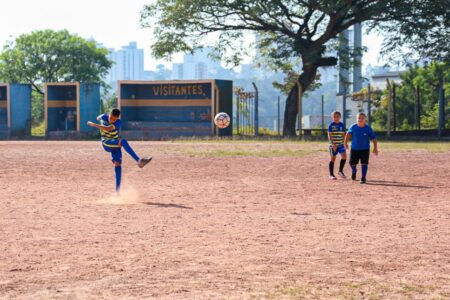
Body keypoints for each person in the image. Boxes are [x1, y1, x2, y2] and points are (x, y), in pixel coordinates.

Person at [87, 108, 152, 192]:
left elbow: (108, 128)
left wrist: (93, 124)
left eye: (114, 119)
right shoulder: (104, 116)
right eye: (111, 118)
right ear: (109, 114)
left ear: (117, 118)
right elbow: (99, 117)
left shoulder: (118, 122)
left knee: (117, 164)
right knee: (123, 141)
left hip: (115, 144)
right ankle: (139, 161)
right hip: (106, 142)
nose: (112, 120)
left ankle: (117, 192)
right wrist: (99, 117)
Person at [344, 113, 379, 184]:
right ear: (356, 119)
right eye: (359, 118)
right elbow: (348, 134)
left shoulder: (368, 128)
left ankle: (363, 178)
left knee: (364, 163)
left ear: (365, 119)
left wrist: (375, 148)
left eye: (362, 118)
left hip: (365, 149)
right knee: (352, 163)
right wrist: (345, 143)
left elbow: (374, 138)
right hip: (354, 149)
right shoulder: (353, 127)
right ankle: (354, 171)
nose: (360, 119)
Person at [327, 111, 347, 180]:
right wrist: (333, 144)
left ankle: (340, 171)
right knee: (333, 159)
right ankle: (331, 174)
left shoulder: (342, 125)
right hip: (333, 145)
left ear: (340, 117)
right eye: (334, 116)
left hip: (341, 144)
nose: (336, 118)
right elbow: (329, 136)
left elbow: (344, 135)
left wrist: (345, 143)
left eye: (337, 116)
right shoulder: (331, 125)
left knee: (344, 157)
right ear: (332, 117)